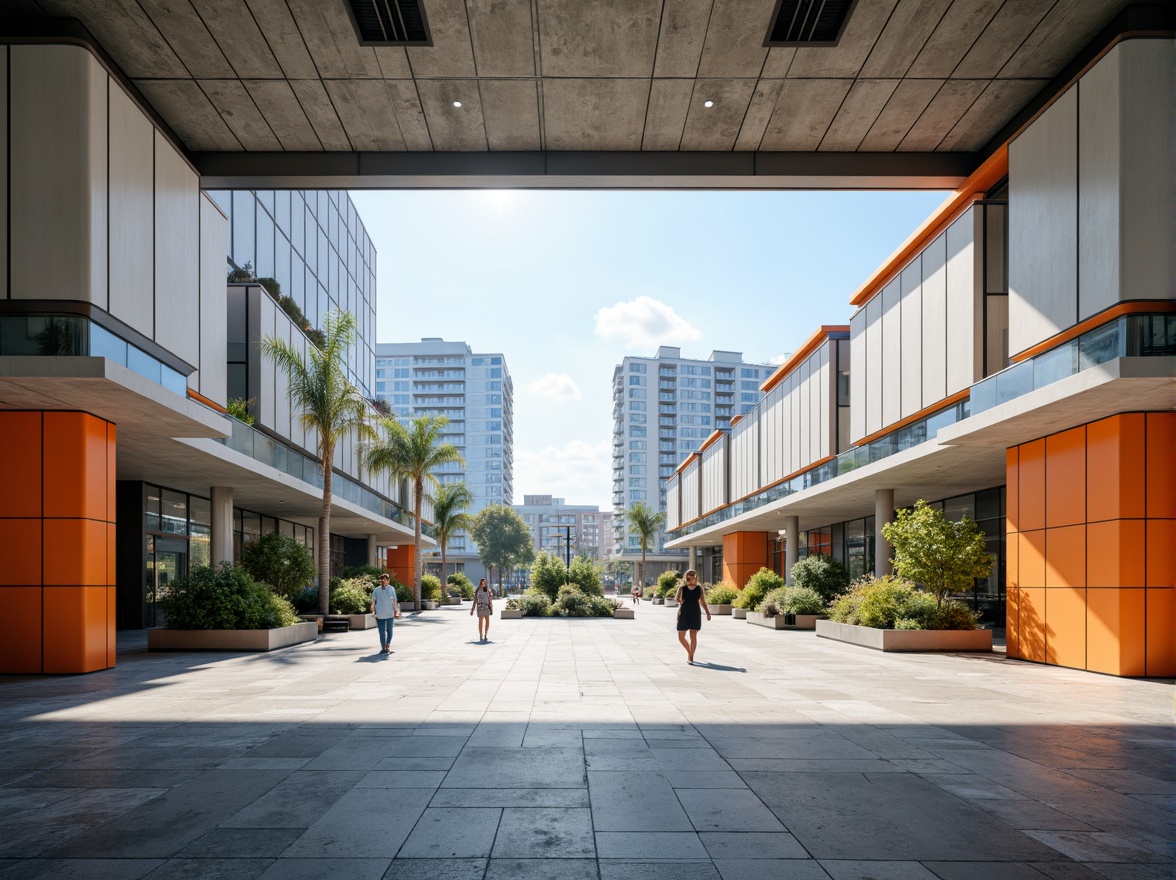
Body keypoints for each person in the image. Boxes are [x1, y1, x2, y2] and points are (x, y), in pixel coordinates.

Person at [674, 569, 710, 665]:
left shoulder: (699, 588)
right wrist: (679, 600)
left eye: (692, 577)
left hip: (695, 613)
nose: (690, 579)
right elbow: (676, 598)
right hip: (684, 613)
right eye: (688, 577)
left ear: (695, 577)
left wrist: (707, 613)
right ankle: (689, 651)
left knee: (693, 635)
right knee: (681, 636)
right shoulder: (682, 588)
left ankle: (691, 657)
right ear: (686, 577)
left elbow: (702, 601)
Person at [371, 573, 401, 654]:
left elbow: (394, 600)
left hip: (389, 613)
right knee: (381, 632)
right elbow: (373, 600)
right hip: (380, 614)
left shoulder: (391, 589)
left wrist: (396, 609)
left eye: (385, 579)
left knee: (390, 631)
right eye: (382, 579)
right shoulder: (376, 590)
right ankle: (383, 647)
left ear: (388, 581)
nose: (383, 581)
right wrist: (372, 606)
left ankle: (388, 645)